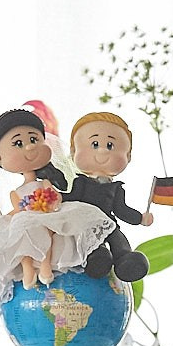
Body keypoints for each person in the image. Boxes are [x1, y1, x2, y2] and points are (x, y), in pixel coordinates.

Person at [0, 106, 114, 314]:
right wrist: (0, 218)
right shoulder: (16, 192)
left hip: (49, 216)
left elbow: (56, 197)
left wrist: (53, 201)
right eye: (18, 144)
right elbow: (16, 212)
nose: (30, 148)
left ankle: (46, 265)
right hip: (26, 220)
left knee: (46, 231)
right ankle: (29, 268)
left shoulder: (46, 182)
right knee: (20, 234)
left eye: (34, 140)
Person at [64, 111, 151, 283]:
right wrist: (53, 198)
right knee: (95, 247)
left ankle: (126, 261)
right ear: (74, 151)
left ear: (128, 156)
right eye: (94, 144)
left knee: (118, 239)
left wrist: (140, 218)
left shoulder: (116, 188)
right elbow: (71, 199)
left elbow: (121, 210)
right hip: (85, 225)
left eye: (110, 145)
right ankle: (97, 256)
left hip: (109, 224)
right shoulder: (80, 182)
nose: (103, 150)